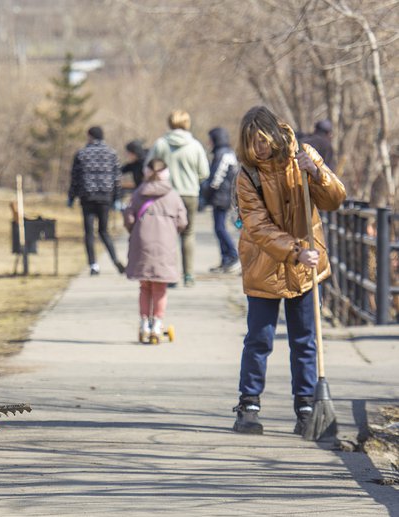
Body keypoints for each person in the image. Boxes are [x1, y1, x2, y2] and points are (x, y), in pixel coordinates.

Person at [231, 105, 345, 436]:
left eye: (263, 141)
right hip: (264, 265)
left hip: (307, 268)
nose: (259, 149)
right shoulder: (247, 175)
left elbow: (335, 199)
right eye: (252, 143)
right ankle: (249, 404)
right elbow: (256, 225)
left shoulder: (303, 156)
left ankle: (307, 405)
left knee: (305, 339)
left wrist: (318, 172)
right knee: (259, 338)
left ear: (275, 135)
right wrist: (296, 250)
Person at [123, 159, 187, 343]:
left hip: (141, 244)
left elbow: (128, 218)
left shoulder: (138, 193)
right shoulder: (173, 195)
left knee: (144, 286)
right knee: (160, 287)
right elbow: (183, 221)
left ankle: (144, 323)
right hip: (165, 245)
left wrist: (134, 230)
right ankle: (158, 324)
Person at [145, 110, 210, 287]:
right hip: (189, 194)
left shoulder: (160, 144)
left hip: (165, 195)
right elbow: (204, 172)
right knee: (188, 233)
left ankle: (171, 275)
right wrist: (193, 179)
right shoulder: (195, 145)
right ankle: (188, 275)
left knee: (168, 234)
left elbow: (148, 168)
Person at [68, 126, 125, 276]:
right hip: (105, 197)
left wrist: (71, 197)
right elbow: (117, 178)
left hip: (88, 197)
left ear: (90, 136)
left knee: (89, 232)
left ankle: (94, 265)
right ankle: (115, 259)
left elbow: (75, 178)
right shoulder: (112, 154)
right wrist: (117, 198)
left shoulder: (81, 154)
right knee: (104, 231)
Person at [202, 127, 240, 273]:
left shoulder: (222, 154)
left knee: (220, 228)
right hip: (223, 195)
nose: (209, 142)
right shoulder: (226, 153)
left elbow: (216, 179)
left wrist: (206, 193)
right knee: (219, 228)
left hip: (222, 196)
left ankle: (232, 256)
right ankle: (225, 259)